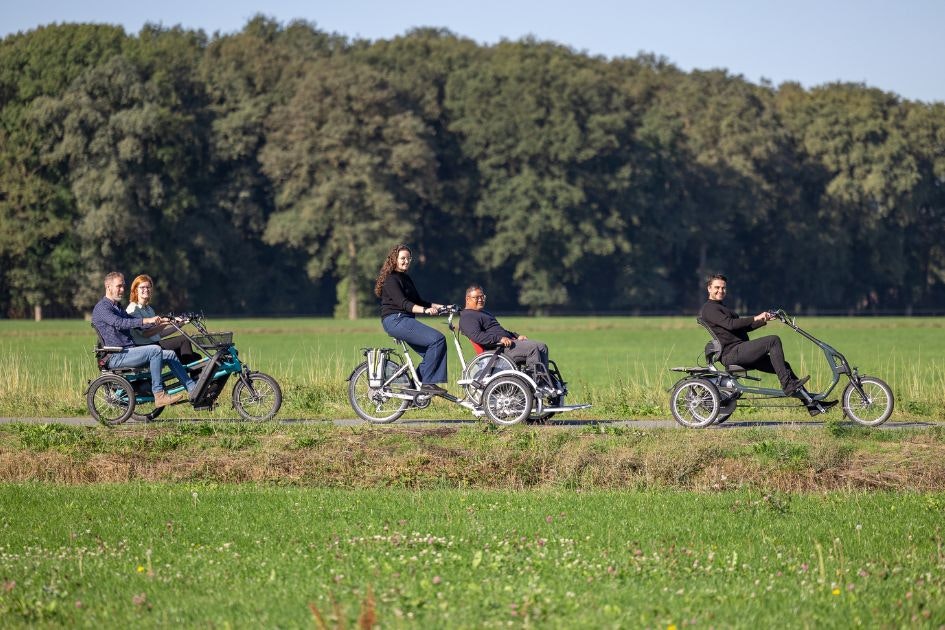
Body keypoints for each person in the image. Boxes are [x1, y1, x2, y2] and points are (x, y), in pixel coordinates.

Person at [699, 273, 837, 415]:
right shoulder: (709, 309)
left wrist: (764, 320)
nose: (720, 291)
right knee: (773, 340)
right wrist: (755, 316)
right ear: (709, 288)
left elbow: (743, 327)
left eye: (723, 288)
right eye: (717, 287)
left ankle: (812, 405)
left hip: (741, 351)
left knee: (785, 367)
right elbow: (731, 325)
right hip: (732, 353)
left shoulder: (721, 308)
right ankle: (788, 385)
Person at [92, 272, 197, 408]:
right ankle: (159, 395)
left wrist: (161, 320)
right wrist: (148, 320)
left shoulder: (117, 307)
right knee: (155, 350)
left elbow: (134, 321)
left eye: (123, 286)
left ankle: (193, 389)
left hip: (127, 351)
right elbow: (119, 323)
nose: (123, 290)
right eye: (119, 286)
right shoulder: (102, 308)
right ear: (108, 286)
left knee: (170, 354)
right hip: (116, 355)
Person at [376, 244, 449, 395]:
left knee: (432, 354)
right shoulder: (391, 279)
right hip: (395, 320)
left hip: (405, 320)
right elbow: (404, 303)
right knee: (437, 340)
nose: (406, 261)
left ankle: (412, 391)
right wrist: (425, 311)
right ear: (394, 259)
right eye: (402, 258)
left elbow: (420, 301)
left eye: (409, 259)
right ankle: (427, 384)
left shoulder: (405, 278)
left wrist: (444, 307)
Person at [458, 284, 554, 389]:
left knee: (542, 346)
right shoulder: (468, 316)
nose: (480, 300)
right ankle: (533, 385)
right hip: (497, 351)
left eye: (482, 297)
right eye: (477, 297)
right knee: (532, 349)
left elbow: (500, 331)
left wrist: (516, 336)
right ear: (467, 299)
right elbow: (477, 336)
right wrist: (499, 339)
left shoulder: (484, 313)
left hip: (506, 345)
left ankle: (544, 381)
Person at [126, 274, 198, 363]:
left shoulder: (149, 309)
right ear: (136, 290)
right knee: (184, 340)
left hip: (155, 344)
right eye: (142, 287)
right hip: (145, 348)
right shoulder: (133, 309)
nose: (146, 290)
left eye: (148, 287)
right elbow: (146, 334)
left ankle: (195, 374)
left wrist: (180, 324)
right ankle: (190, 375)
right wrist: (166, 322)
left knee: (196, 357)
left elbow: (159, 334)